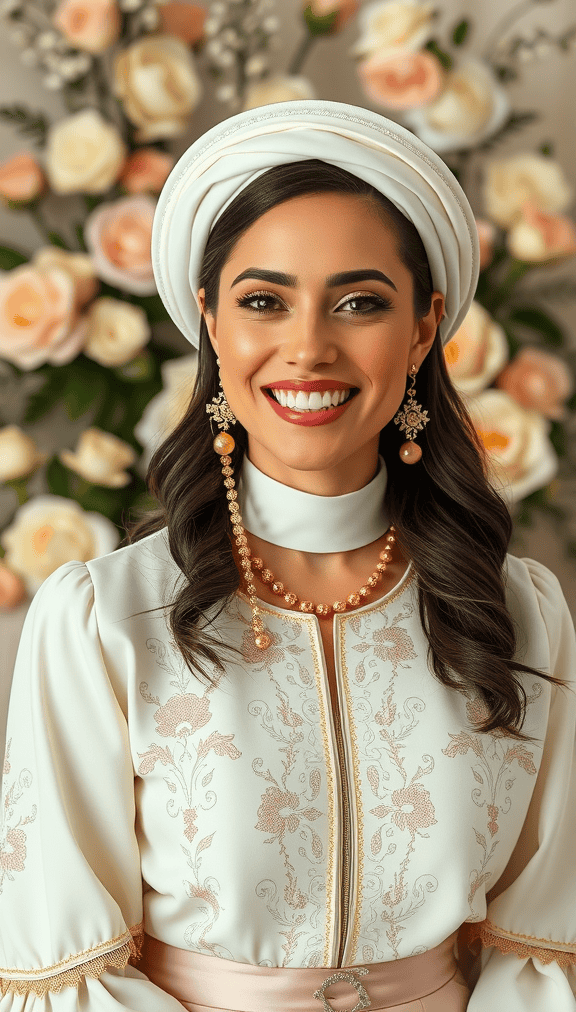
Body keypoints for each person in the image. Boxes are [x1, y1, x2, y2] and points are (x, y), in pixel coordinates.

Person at [0, 100, 575, 1012]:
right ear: (211, 323)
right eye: (264, 300)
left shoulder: (521, 610)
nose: (309, 346)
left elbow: (547, 939)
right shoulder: (104, 620)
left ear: (423, 329)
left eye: (360, 302)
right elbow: (68, 970)